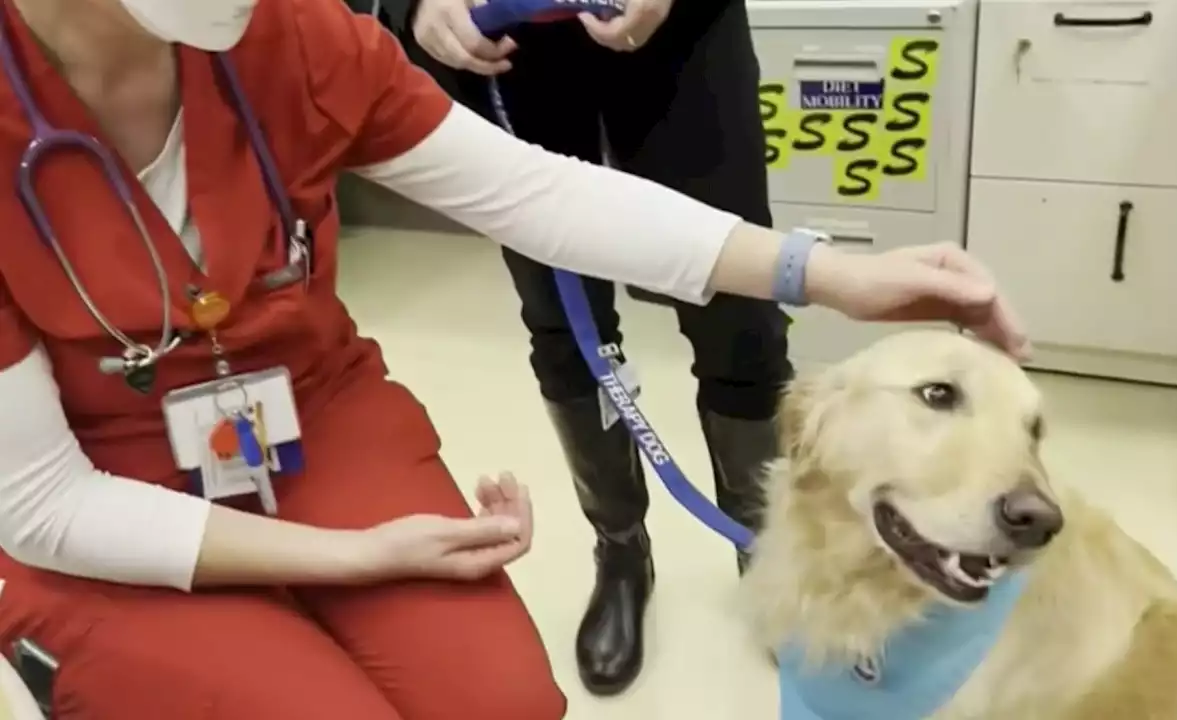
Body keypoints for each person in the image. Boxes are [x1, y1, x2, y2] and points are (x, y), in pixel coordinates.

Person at [0, 0, 1027, 717]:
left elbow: (535, 193)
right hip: (92, 487)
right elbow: (39, 504)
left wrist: (824, 271)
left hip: (301, 409)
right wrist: (352, 559)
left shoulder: (290, 32)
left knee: (499, 702)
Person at [396, 0, 791, 694]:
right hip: (507, 46)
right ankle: (621, 551)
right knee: (561, 324)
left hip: (680, 36)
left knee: (741, 316)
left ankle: (766, 554)